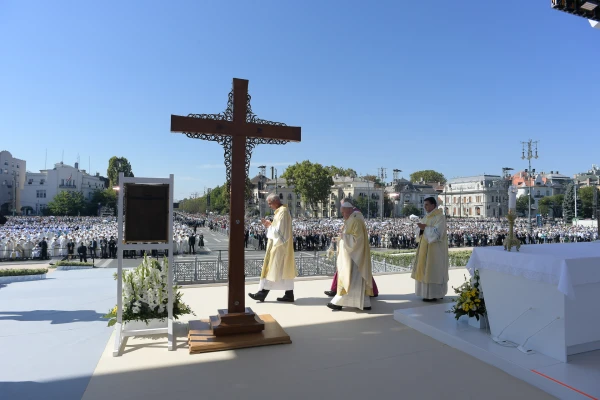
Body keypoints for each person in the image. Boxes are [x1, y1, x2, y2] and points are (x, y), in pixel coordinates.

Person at [249, 193, 297, 302]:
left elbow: (280, 232)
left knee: (272, 269)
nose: (269, 206)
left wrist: (268, 225)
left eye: (270, 203)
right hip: (282, 246)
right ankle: (289, 294)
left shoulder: (282, 212)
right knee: (284, 271)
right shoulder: (281, 211)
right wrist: (270, 225)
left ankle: (262, 293)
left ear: (276, 201)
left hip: (279, 246)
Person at [327, 198, 373, 311]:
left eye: (343, 212)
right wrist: (340, 238)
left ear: (349, 210)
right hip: (350, 255)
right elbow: (347, 235)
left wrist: (343, 237)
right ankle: (365, 303)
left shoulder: (356, 220)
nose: (342, 215)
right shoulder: (350, 219)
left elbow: (357, 240)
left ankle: (338, 302)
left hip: (354, 257)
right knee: (353, 280)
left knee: (348, 279)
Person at [411, 197, 449, 302]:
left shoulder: (440, 217)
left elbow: (437, 233)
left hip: (436, 250)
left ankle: (436, 294)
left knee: (434, 270)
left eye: (427, 204)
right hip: (424, 247)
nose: (425, 207)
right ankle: (426, 294)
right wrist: (420, 229)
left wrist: (424, 228)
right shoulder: (426, 217)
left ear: (433, 205)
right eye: (424, 205)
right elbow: (419, 231)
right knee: (425, 270)